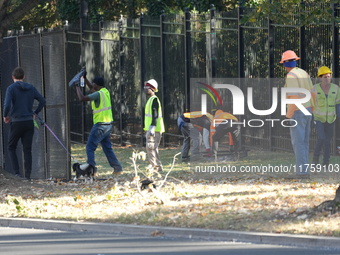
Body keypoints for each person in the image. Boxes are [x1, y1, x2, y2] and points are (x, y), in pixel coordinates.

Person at [3, 67, 46, 179]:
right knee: (27, 149)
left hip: (16, 121)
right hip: (28, 122)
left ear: (13, 77)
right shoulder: (31, 88)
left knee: (11, 147)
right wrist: (35, 113)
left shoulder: (11, 89)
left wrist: (5, 116)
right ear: (24, 77)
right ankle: (28, 176)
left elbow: (7, 105)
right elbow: (42, 101)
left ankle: (17, 173)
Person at [75, 75, 123, 174]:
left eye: (93, 84)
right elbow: (92, 89)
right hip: (108, 125)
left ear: (96, 85)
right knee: (107, 148)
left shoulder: (98, 94)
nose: (92, 85)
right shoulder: (105, 92)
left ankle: (91, 169)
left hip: (100, 125)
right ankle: (117, 168)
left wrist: (77, 86)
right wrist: (85, 78)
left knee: (90, 147)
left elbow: (82, 98)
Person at [280, 50, 314, 177]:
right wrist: (312, 108)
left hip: (298, 111)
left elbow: (294, 96)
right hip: (308, 109)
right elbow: (313, 91)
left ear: (284, 64)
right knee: (304, 142)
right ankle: (304, 170)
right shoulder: (303, 73)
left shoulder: (291, 76)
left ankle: (302, 172)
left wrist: (289, 115)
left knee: (298, 142)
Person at [312, 66, 340, 168]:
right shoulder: (314, 89)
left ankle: (326, 163)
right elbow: (311, 103)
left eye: (329, 76)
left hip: (331, 119)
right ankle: (315, 161)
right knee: (321, 138)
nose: (327, 79)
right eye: (325, 77)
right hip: (318, 118)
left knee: (328, 141)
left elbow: (338, 104)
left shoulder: (336, 89)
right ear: (320, 78)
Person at [143, 79, 165, 172]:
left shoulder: (154, 99)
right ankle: (157, 167)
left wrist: (152, 127)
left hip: (154, 129)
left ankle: (155, 167)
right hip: (154, 128)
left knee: (150, 148)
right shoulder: (151, 100)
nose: (145, 89)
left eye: (147, 88)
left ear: (152, 89)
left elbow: (155, 114)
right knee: (153, 148)